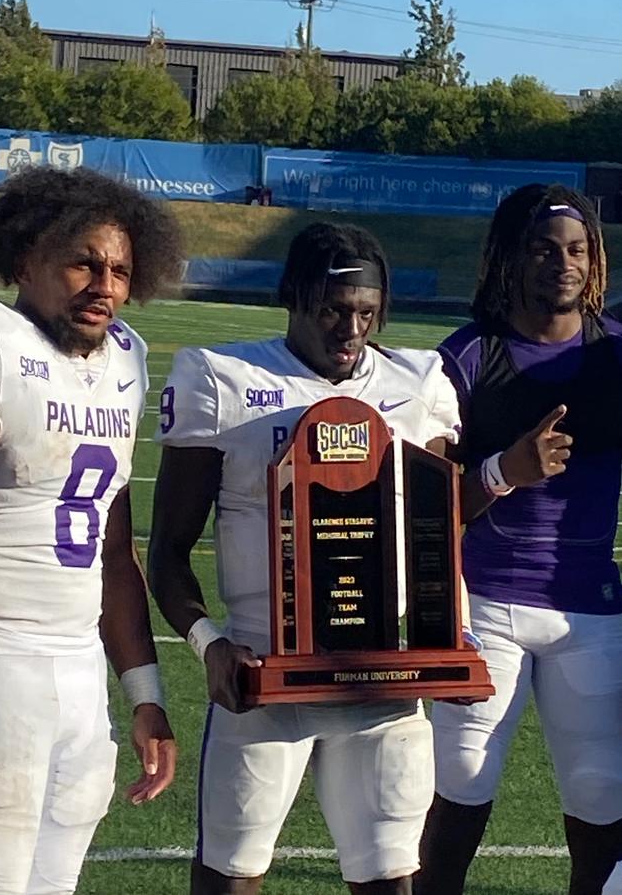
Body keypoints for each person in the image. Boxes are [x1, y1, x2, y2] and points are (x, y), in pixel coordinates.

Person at [148, 221, 465, 895]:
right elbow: (169, 549)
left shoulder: (419, 379)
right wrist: (208, 644)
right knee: (230, 877)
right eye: (331, 310)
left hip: (382, 676)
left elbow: (439, 531)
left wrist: (443, 633)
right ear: (292, 298)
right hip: (265, 673)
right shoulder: (222, 379)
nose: (350, 330)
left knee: (388, 878)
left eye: (366, 313)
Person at [0, 165, 182, 894]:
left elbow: (116, 551)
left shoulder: (125, 362)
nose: (102, 284)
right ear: (25, 260)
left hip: (80, 671)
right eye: (81, 261)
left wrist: (144, 691)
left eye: (118, 268)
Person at [414, 184, 622, 895]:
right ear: (509, 257)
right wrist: (506, 470)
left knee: (600, 799)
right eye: (541, 248)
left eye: (576, 248)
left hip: (588, 609)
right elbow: (427, 513)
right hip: (486, 604)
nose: (561, 263)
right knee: (460, 789)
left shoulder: (615, 354)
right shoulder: (465, 358)